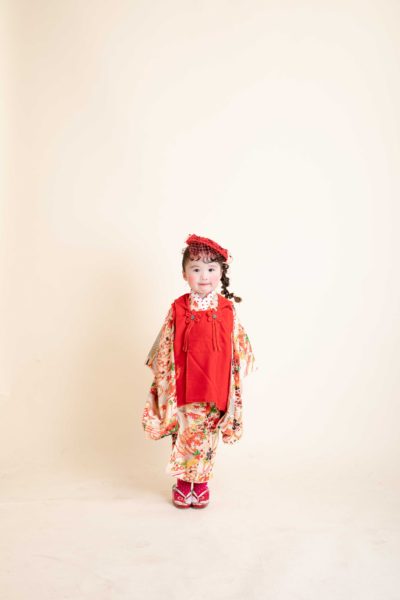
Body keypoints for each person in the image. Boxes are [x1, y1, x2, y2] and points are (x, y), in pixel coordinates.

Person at [142, 234, 256, 509]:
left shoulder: (227, 309)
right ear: (184, 274)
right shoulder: (178, 307)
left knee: (207, 436)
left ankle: (201, 483)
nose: (204, 276)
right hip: (183, 382)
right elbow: (165, 344)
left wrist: (234, 382)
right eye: (195, 269)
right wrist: (165, 378)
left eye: (211, 269)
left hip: (215, 382)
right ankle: (184, 484)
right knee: (184, 432)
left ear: (221, 273)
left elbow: (238, 348)